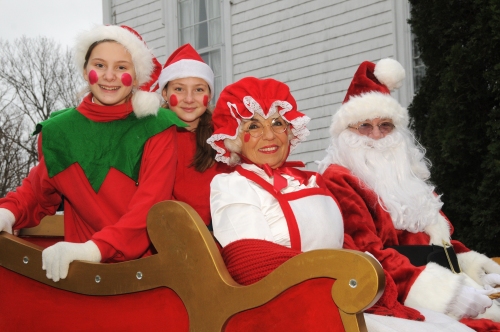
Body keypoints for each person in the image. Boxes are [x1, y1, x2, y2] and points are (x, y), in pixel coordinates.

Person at [207, 76, 474, 331]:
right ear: (233, 140)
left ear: (291, 131)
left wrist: (373, 283)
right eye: (253, 126)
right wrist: (342, 277)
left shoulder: (310, 179)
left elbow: (344, 243)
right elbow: (250, 263)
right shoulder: (232, 185)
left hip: (338, 297)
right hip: (283, 312)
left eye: (278, 123)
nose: (269, 135)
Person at [317, 58, 500, 331]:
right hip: (394, 295)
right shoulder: (338, 179)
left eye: (386, 125)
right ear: (345, 132)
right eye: (364, 126)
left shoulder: (406, 178)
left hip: (444, 285)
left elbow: (438, 242)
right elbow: (365, 254)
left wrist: (476, 269)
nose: (377, 135)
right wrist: (448, 293)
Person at [0, 25, 185, 282]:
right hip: (84, 277)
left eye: (121, 67)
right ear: (86, 70)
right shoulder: (60, 131)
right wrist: (7, 213)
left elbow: (150, 206)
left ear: (137, 74)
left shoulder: (156, 125)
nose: (110, 76)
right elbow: (37, 190)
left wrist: (94, 249)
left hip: (149, 272)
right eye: (100, 65)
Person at [157, 43, 231, 227]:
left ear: (210, 94)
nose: (189, 99)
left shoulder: (224, 137)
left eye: (198, 89)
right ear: (165, 93)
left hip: (222, 232)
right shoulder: (154, 136)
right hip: (173, 232)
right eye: (179, 89)